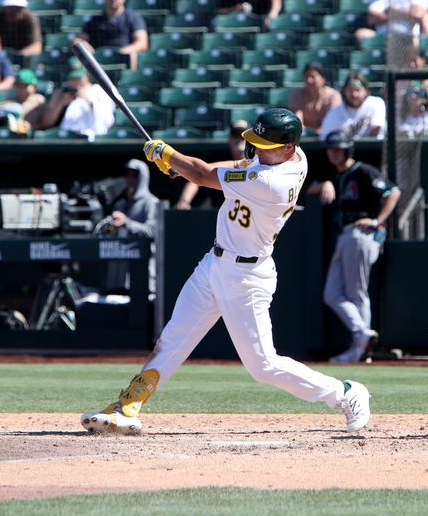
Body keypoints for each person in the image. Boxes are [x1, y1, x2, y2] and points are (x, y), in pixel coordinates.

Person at [81, 108, 371, 435]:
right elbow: (237, 165)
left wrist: (171, 156)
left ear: (288, 147)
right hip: (215, 263)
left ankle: (345, 393)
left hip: (246, 277)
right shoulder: (291, 155)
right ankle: (128, 406)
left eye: (265, 144)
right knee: (172, 338)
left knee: (263, 366)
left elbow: (206, 175)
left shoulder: (272, 183)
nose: (257, 149)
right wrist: (180, 168)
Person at [307, 131, 400, 364]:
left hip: (360, 234)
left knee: (357, 292)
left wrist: (378, 220)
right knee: (331, 294)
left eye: (339, 149)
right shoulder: (336, 176)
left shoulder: (363, 170)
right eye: (331, 149)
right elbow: (308, 190)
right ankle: (361, 336)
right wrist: (325, 183)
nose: (334, 152)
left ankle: (360, 348)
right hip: (345, 236)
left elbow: (393, 192)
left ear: (348, 150)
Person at [104, 159, 160, 294]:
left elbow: (153, 232)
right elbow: (113, 232)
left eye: (134, 175)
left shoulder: (151, 202)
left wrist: (127, 223)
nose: (129, 179)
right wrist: (109, 228)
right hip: (117, 277)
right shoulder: (120, 204)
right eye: (127, 174)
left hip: (141, 275)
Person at [175, 119, 249, 209]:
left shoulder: (257, 159)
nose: (239, 139)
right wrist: (184, 201)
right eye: (235, 135)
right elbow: (198, 175)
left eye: (243, 136)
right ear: (230, 138)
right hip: (218, 208)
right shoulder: (218, 156)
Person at [37, 57, 115, 137]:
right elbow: (46, 124)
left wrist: (89, 101)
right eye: (72, 78)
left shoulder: (99, 91)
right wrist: (60, 104)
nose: (75, 82)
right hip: (67, 139)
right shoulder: (62, 93)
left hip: (93, 137)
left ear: (87, 74)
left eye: (78, 78)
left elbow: (108, 121)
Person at [78, 0, 149, 70]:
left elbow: (142, 43)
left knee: (133, 55)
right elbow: (78, 40)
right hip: (100, 62)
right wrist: (86, 48)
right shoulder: (95, 20)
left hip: (124, 58)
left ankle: (128, 80)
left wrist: (121, 52)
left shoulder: (133, 18)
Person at [354, 0, 428, 45]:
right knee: (361, 34)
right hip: (384, 37)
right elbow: (372, 18)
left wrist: (390, 11)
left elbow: (417, 14)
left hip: (409, 37)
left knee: (417, 41)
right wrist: (407, 13)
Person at [320, 73, 387, 140]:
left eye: (357, 90)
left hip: (374, 149)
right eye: (350, 90)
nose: (354, 94)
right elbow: (325, 138)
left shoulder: (375, 103)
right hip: (345, 149)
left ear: (366, 91)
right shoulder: (334, 113)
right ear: (344, 91)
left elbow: (376, 129)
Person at [286, 62, 342, 133]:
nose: (309, 80)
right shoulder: (296, 95)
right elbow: (297, 121)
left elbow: (332, 121)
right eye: (306, 76)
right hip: (304, 138)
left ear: (323, 78)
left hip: (328, 137)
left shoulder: (333, 96)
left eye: (313, 77)